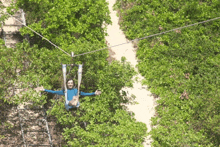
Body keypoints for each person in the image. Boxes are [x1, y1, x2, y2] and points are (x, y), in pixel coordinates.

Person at [35, 79, 101, 110]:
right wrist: (44, 89)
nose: (70, 84)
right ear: (67, 84)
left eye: (71, 83)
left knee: (76, 96)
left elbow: (85, 94)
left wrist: (94, 93)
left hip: (75, 105)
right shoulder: (65, 91)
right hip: (68, 105)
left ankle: (74, 102)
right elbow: (53, 92)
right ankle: (73, 102)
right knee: (74, 98)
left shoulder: (76, 90)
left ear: (73, 84)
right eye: (69, 83)